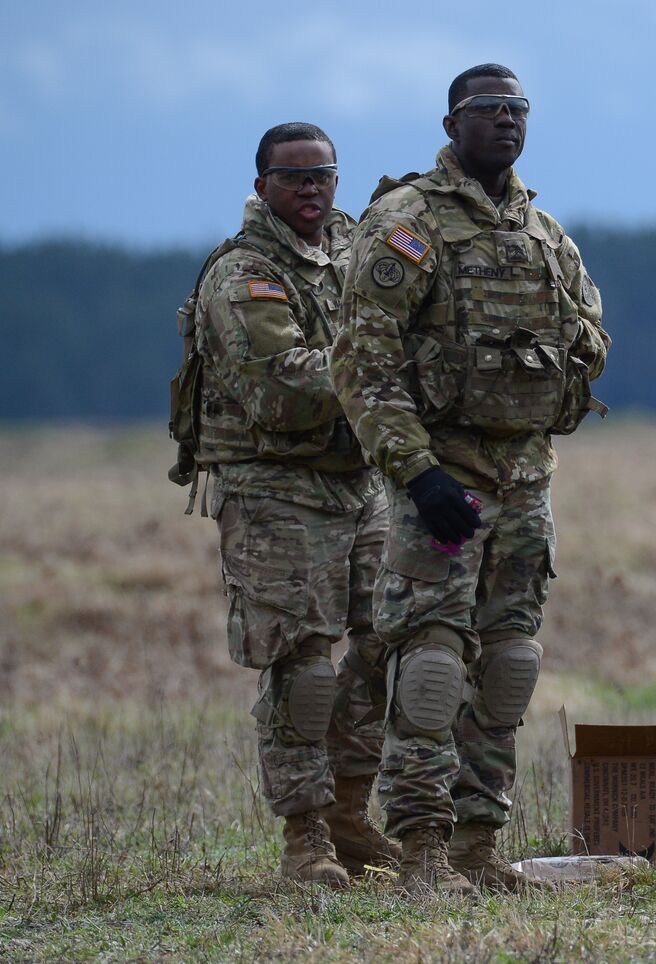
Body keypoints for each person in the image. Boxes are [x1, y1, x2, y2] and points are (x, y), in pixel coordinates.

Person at [332, 64, 609, 895]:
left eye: (518, 110)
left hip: (526, 478)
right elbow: (363, 361)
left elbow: (589, 332)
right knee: (430, 665)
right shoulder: (407, 222)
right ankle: (419, 847)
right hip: (442, 482)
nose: (507, 123)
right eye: (489, 111)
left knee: (508, 664)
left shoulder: (543, 230)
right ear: (453, 124)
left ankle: (477, 847)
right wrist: (416, 475)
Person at [188, 122, 397, 886]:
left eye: (324, 176)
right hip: (276, 489)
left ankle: (349, 815)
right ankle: (304, 838)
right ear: (263, 184)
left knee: (387, 647)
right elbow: (280, 388)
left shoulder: (355, 249)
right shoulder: (243, 273)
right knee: (303, 664)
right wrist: (381, 367)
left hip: (361, 482)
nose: (312, 190)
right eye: (294, 177)